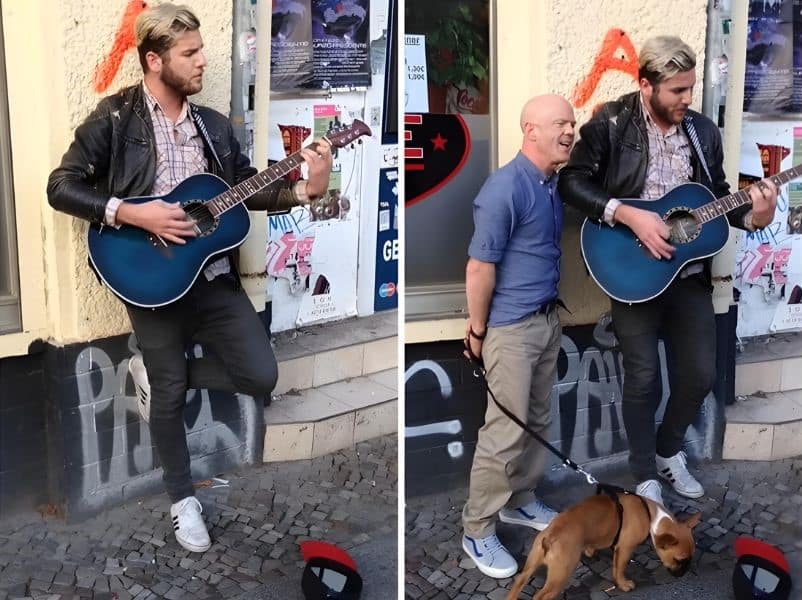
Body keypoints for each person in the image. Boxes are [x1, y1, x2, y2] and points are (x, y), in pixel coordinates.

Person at [47, 4, 332, 553]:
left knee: (260, 375)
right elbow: (62, 186)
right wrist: (134, 213)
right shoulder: (114, 119)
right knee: (172, 394)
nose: (203, 62)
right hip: (149, 279)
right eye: (191, 53)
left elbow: (249, 187)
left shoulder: (215, 127)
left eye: (202, 50)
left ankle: (162, 377)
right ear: (154, 61)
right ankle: (183, 500)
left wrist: (305, 189)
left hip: (211, 276)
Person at [558, 36, 778, 505]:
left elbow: (717, 199)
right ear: (646, 85)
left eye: (691, 88)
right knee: (642, 379)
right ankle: (643, 475)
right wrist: (629, 214)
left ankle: (667, 452)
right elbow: (571, 182)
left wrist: (755, 216)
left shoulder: (701, 131)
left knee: (700, 375)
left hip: (687, 275)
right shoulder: (612, 124)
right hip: (631, 271)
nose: (686, 100)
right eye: (677, 91)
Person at [461, 94, 576, 579]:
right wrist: (478, 332)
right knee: (505, 431)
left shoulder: (550, 183)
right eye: (560, 124)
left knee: (537, 420)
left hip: (547, 321)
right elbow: (479, 267)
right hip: (510, 329)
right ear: (530, 130)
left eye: (572, 122)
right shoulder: (504, 188)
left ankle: (521, 501)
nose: (570, 131)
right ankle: (477, 528)